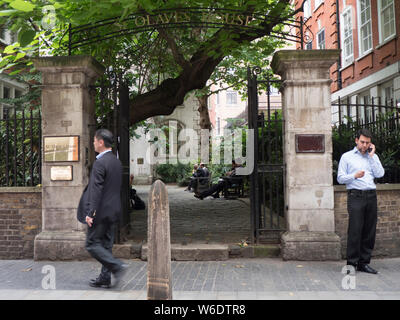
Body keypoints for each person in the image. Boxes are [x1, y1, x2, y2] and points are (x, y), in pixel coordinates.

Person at [82, 129, 128, 288]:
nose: (93, 143)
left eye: (94, 141)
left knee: (91, 243)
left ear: (101, 142)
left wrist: (91, 212)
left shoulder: (100, 163)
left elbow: (96, 190)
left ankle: (116, 266)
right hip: (114, 210)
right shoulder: (116, 161)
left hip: (100, 212)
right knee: (107, 245)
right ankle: (104, 278)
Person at [337, 128, 384, 274]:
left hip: (371, 196)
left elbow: (380, 174)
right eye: (362, 142)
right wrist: (354, 176)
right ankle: (351, 264)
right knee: (355, 230)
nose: (364, 145)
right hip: (355, 196)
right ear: (356, 140)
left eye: (367, 143)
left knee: (369, 231)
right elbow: (340, 178)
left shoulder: (372, 156)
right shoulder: (347, 157)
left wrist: (371, 156)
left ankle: (364, 263)